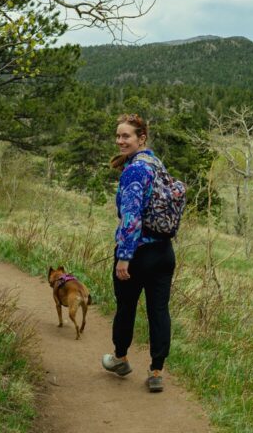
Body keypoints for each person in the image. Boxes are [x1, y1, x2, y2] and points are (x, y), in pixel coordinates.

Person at [101, 113, 176, 393]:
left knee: (126, 307)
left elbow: (131, 217)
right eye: (118, 136)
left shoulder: (134, 171)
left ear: (141, 138)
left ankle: (120, 359)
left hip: (138, 253)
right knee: (159, 311)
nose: (120, 141)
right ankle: (156, 371)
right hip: (164, 252)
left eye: (126, 136)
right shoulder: (157, 164)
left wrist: (124, 256)